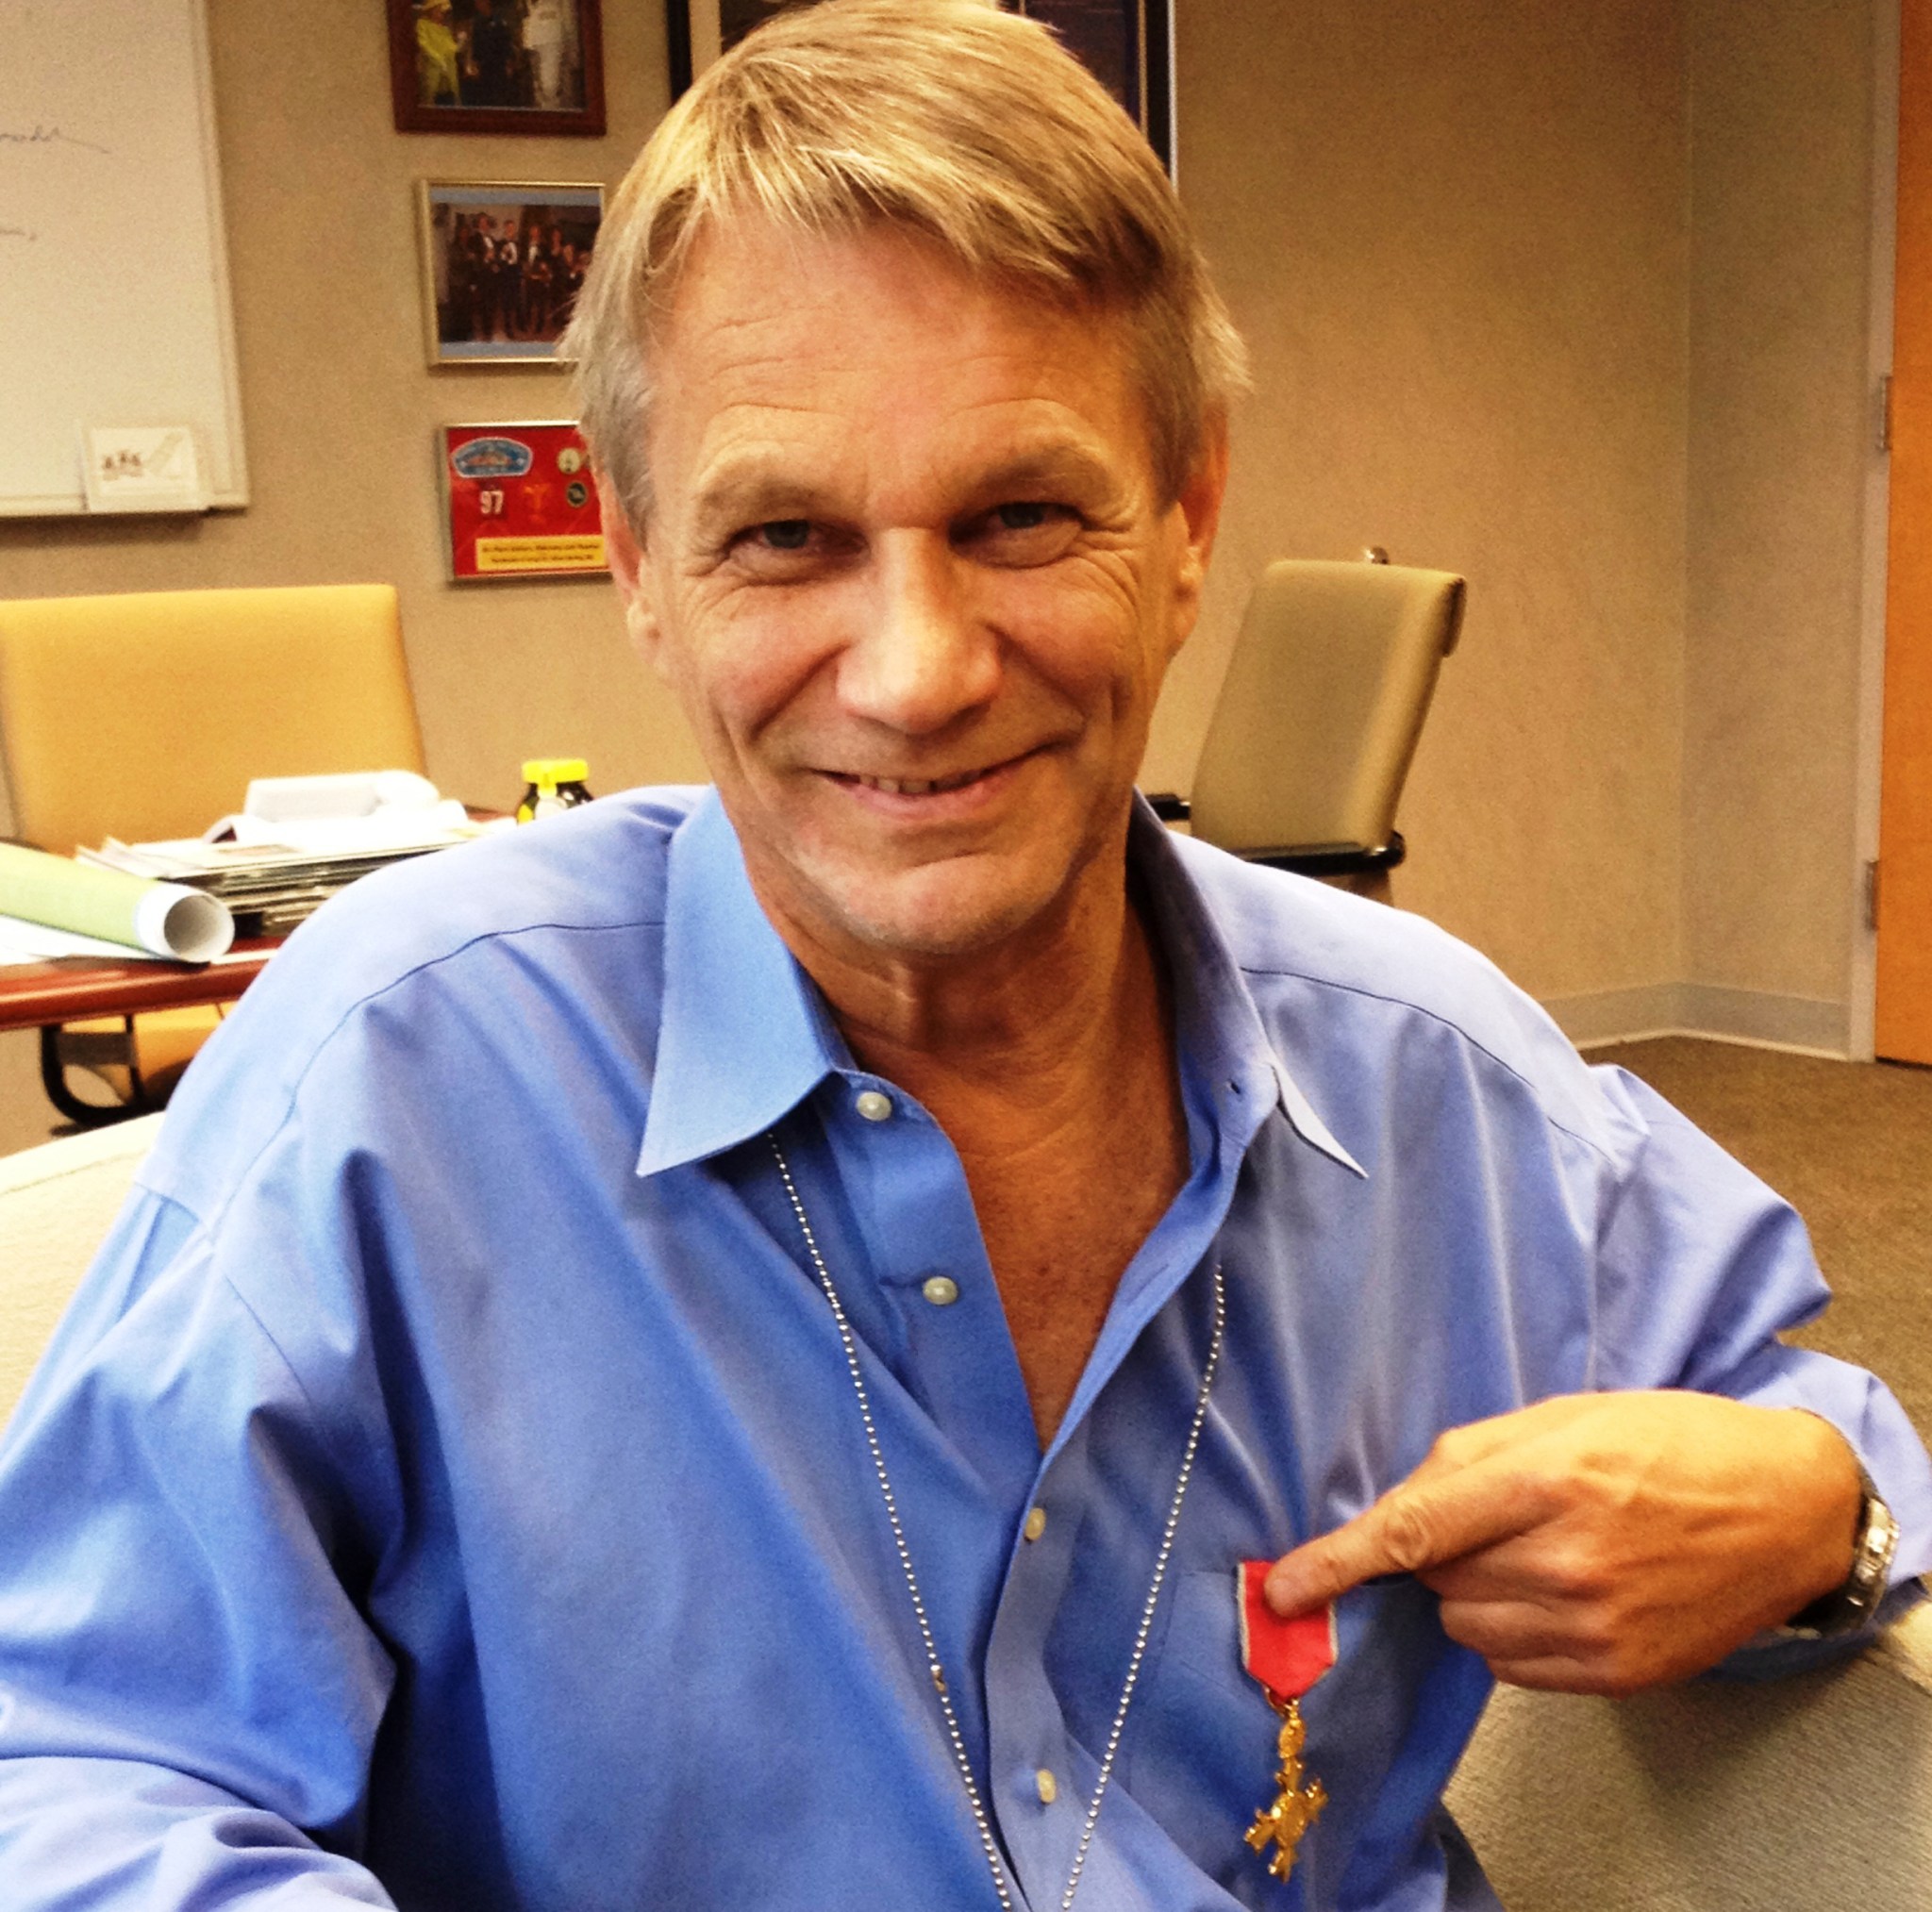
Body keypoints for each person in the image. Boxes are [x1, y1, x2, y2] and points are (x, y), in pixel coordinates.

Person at [0, 5, 1924, 1907]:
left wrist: (1818, 1525)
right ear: (641, 567)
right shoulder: (399, 1083)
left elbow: (1812, 1441)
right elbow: (75, 1767)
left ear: (1185, 522)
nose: (915, 673)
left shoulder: (1429, 1083)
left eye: (1019, 514)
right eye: (784, 539)